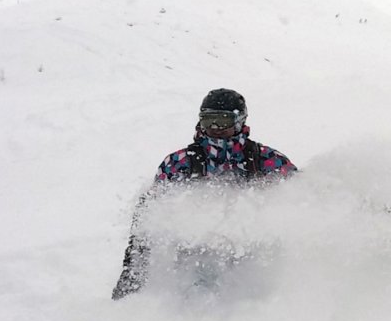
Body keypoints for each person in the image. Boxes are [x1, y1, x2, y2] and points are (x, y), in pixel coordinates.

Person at [112, 88, 298, 298]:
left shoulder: (266, 160)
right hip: (194, 264)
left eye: (224, 120)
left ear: (240, 121)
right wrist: (132, 277)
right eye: (209, 120)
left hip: (251, 262)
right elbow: (149, 216)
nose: (216, 127)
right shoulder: (179, 163)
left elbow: (301, 201)